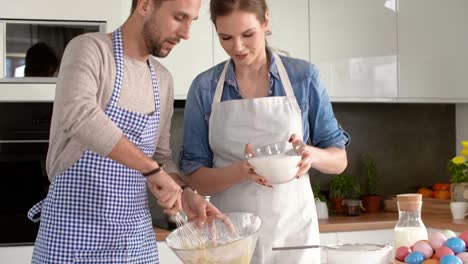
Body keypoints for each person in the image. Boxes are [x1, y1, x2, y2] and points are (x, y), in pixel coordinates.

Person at [27, 0, 222, 263]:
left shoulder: (162, 80)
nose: (186, 33)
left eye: (192, 21)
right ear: (144, 5)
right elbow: (79, 114)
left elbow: (162, 158)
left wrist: (186, 193)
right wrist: (150, 169)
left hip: (134, 244)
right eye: (178, 17)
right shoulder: (91, 50)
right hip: (72, 235)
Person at [179, 0, 350, 263]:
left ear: (265, 22)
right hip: (231, 238)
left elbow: (339, 160)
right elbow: (194, 176)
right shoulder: (204, 88)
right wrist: (242, 171)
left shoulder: (303, 78)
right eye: (226, 37)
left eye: (248, 35)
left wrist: (310, 154)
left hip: (293, 236)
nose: (237, 47)